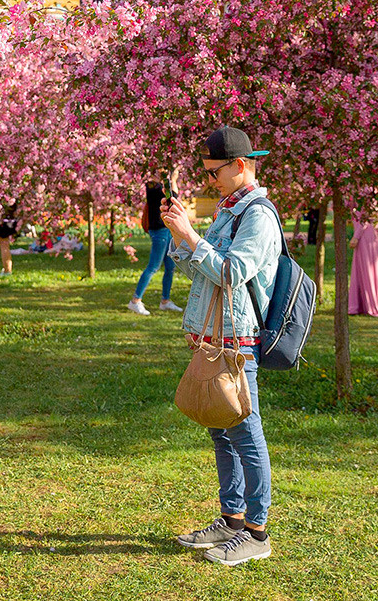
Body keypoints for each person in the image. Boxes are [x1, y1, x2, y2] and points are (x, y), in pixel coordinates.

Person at [162, 126, 282, 566]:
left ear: (240, 165)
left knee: (246, 434)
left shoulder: (258, 215)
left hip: (238, 340)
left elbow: (233, 272)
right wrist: (181, 236)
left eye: (215, 171)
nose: (210, 180)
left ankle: (257, 531)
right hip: (214, 336)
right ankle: (231, 520)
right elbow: (204, 272)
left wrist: (193, 238)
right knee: (221, 430)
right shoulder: (229, 210)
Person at [127, 180, 182, 316]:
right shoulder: (152, 186)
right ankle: (135, 301)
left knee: (170, 267)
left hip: (167, 230)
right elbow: (172, 197)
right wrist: (173, 179)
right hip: (159, 231)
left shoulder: (160, 185)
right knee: (153, 267)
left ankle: (165, 301)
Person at [0, 205, 20, 276]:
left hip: (3, 221)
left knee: (4, 245)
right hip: (9, 219)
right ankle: (7, 268)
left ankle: (7, 270)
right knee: (5, 245)